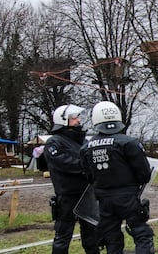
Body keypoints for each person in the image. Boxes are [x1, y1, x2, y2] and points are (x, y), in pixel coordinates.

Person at [80, 101, 155, 254]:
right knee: (142, 235)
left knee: (111, 240)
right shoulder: (128, 142)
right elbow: (144, 173)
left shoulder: (86, 147)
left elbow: (88, 176)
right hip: (128, 197)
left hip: (104, 200)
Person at [44, 104, 99, 254]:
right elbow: (65, 163)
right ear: (64, 120)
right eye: (74, 118)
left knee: (91, 234)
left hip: (86, 194)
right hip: (67, 196)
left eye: (77, 118)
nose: (78, 121)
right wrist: (86, 166)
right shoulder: (54, 142)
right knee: (63, 235)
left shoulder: (83, 141)